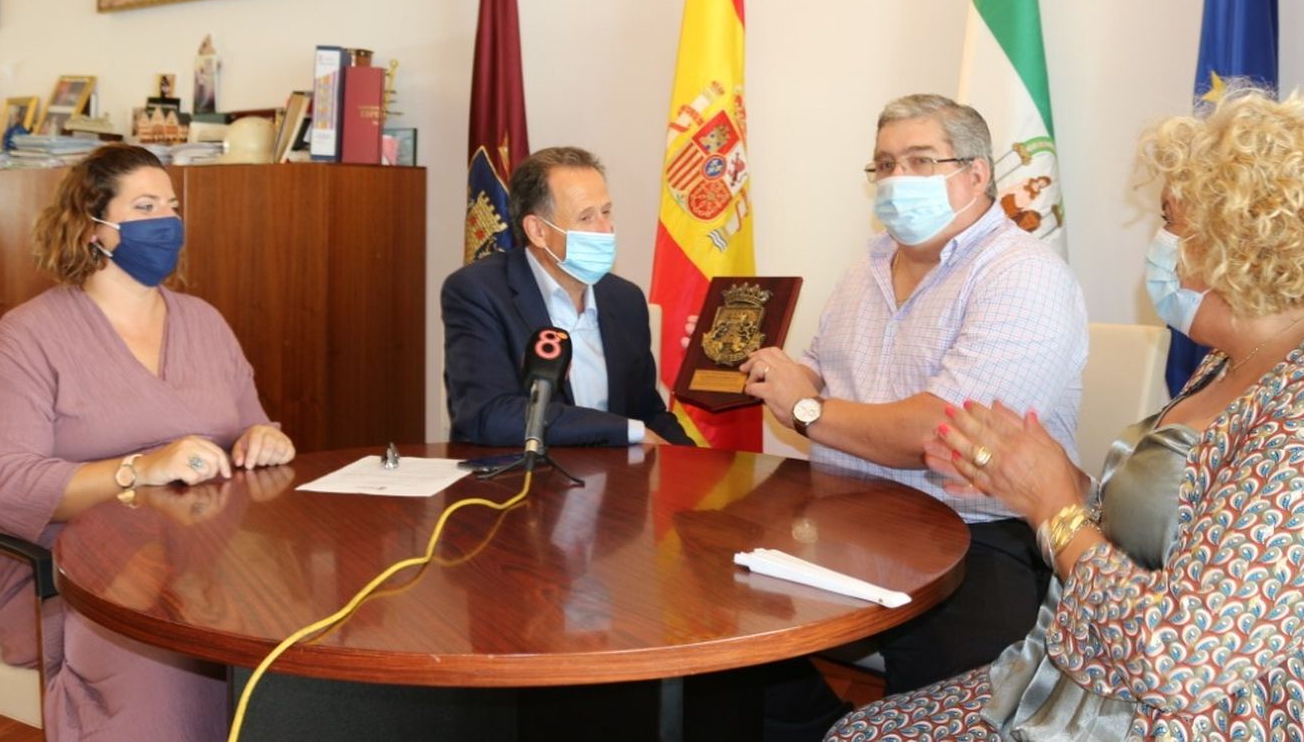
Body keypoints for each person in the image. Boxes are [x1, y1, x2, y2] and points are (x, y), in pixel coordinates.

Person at [830, 88, 1304, 741]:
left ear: (1241, 239)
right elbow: (1178, 530)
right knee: (865, 730)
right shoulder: (1250, 356)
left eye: (1171, 221)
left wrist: (1054, 509)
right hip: (1141, 688)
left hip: (1254, 715)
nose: (1160, 244)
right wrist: (1055, 480)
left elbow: (1178, 659)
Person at [743, 94, 1086, 735]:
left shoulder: (1023, 275)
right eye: (885, 164)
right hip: (846, 514)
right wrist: (785, 375)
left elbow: (942, 433)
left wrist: (808, 408)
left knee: (951, 711)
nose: (897, 179)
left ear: (977, 174)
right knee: (722, 631)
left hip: (976, 535)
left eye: (921, 161)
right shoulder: (867, 268)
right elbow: (823, 369)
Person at [0, 143, 295, 742]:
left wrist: (263, 439)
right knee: (178, 671)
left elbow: (253, 426)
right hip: (83, 578)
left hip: (207, 557)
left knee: (300, 633)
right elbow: (8, 485)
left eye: (171, 206)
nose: (167, 222)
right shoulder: (28, 336)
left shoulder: (203, 321)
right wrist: (140, 467)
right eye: (145, 207)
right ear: (92, 226)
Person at [443, 145, 693, 447]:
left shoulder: (625, 299)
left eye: (606, 212)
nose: (606, 229)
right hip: (525, 474)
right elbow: (488, 414)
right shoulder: (479, 292)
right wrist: (625, 430)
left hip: (617, 475)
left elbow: (648, 413)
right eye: (586, 217)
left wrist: (693, 463)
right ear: (538, 230)